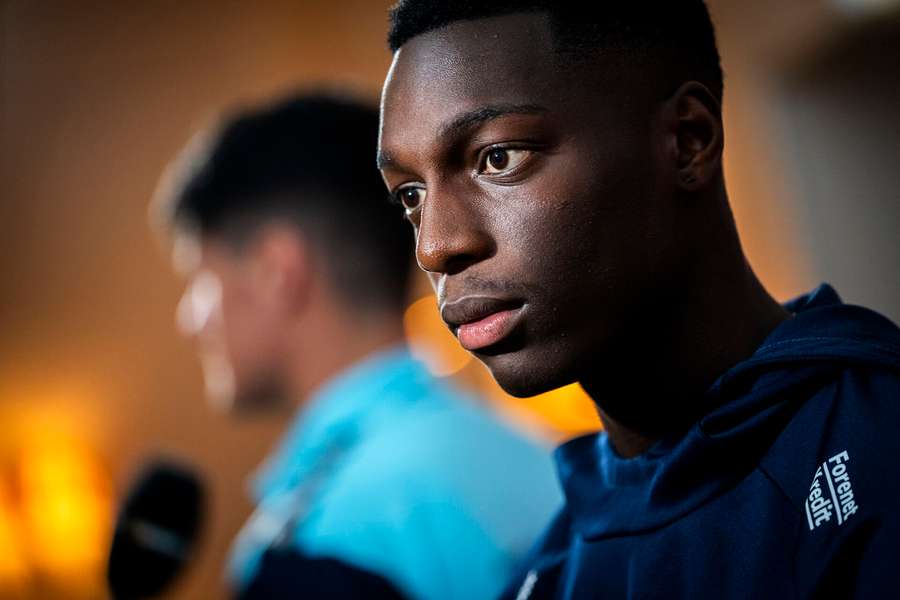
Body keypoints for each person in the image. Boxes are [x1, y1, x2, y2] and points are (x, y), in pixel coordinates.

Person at [376, 2, 900, 598]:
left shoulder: (876, 452)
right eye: (411, 195)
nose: (437, 246)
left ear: (687, 141)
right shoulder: (548, 570)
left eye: (498, 158)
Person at [153, 93, 562, 600]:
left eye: (200, 280)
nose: (189, 320)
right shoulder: (547, 462)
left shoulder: (320, 541)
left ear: (277, 272)